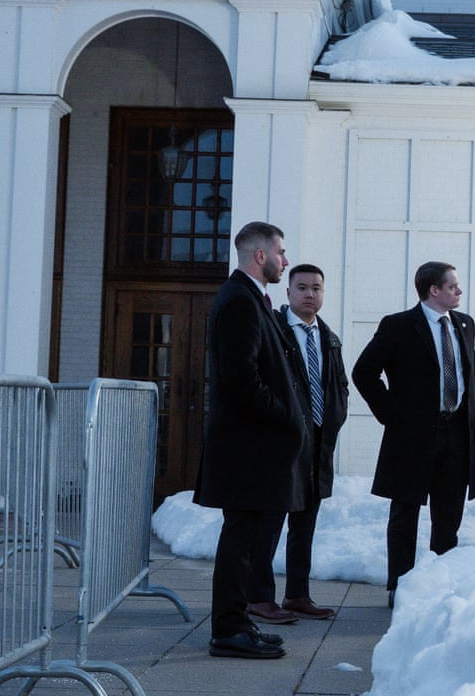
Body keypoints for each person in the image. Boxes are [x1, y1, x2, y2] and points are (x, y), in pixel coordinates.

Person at [353, 262, 475, 607]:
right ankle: (400, 585)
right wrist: (391, 414)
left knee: (448, 514)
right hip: (413, 436)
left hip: (457, 433)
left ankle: (439, 583)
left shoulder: (463, 324)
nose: (459, 292)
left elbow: (472, 363)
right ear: (434, 290)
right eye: (453, 287)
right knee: (405, 513)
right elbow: (364, 372)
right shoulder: (399, 326)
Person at [193, 221, 308, 660]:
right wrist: (287, 418)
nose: (286, 259)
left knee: (247, 541)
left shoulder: (249, 297)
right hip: (247, 450)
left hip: (254, 449)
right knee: (241, 541)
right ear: (260, 256)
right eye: (281, 251)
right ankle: (228, 630)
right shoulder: (239, 300)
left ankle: (238, 623)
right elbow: (243, 380)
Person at [247, 264, 350, 623]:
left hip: (319, 443)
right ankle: (259, 597)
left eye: (316, 288)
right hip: (283, 441)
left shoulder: (328, 336)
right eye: (302, 287)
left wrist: (335, 416)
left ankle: (297, 594)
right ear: (288, 293)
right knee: (271, 521)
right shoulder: (274, 329)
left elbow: (339, 385)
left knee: (305, 523)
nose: (310, 294)